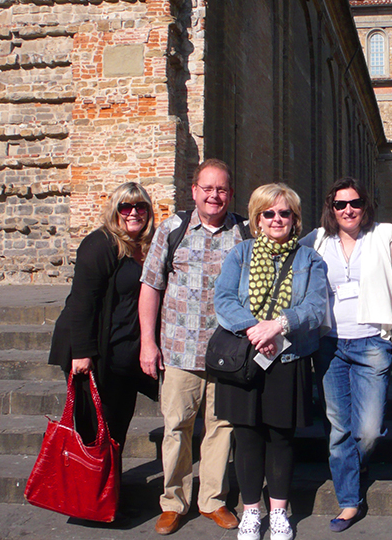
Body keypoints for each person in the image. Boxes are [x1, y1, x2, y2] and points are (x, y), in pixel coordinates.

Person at [138, 159, 247, 535]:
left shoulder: (242, 233)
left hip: (227, 353)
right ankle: (173, 502)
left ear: (231, 194)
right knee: (176, 427)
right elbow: (151, 286)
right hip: (179, 350)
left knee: (221, 427)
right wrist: (148, 343)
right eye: (207, 188)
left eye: (221, 189)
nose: (214, 196)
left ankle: (213, 501)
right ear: (194, 191)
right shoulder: (173, 229)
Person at [214, 183, 328, 540]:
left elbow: (314, 306)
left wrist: (278, 325)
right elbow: (224, 299)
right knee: (247, 437)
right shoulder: (241, 254)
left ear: (295, 220)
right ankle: (251, 512)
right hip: (247, 355)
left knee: (280, 437)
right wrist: (255, 330)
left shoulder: (310, 259)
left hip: (288, 356)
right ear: (257, 219)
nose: (277, 219)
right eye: (269, 213)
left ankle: (278, 512)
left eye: (285, 213)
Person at [300, 177, 392, 532]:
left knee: (369, 430)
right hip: (331, 344)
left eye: (354, 203)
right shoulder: (317, 239)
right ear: (331, 208)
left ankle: (357, 464)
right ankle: (349, 501)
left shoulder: (383, 235)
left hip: (371, 342)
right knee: (339, 428)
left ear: (364, 205)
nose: (348, 210)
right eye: (340, 205)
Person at [49, 182, 157, 450]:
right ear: (115, 210)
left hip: (122, 353)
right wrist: (83, 353)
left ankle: (111, 489)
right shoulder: (100, 244)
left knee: (116, 428)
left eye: (141, 206)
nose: (134, 213)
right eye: (126, 207)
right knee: (94, 430)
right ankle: (89, 490)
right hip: (94, 352)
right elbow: (82, 303)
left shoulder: (143, 247)